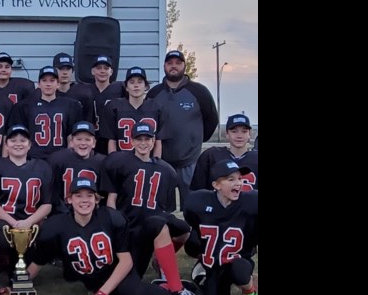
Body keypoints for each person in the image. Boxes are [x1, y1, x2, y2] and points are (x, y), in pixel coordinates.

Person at [25, 177, 196, 295]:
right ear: (69, 199)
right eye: (78, 195)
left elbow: (126, 261)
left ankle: (176, 288)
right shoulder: (57, 226)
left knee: (156, 223)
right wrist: (17, 285)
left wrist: (102, 294)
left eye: (89, 195)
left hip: (124, 265)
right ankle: (162, 286)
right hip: (106, 279)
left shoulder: (110, 217)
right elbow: (39, 261)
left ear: (96, 199)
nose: (84, 200)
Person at [102, 123, 202, 295]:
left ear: (153, 141)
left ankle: (169, 277)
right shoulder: (120, 162)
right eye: (139, 139)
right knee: (134, 273)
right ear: (131, 141)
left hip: (153, 226)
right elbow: (111, 199)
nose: (143, 143)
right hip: (130, 229)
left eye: (147, 139)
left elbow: (167, 209)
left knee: (183, 229)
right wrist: (114, 228)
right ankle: (175, 288)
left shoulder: (166, 170)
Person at [183, 159, 259, 295]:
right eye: (231, 179)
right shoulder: (198, 202)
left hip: (238, 259)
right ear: (216, 185)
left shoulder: (251, 201)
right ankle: (202, 271)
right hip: (214, 264)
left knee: (240, 270)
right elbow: (194, 225)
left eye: (239, 178)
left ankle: (250, 292)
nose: (238, 183)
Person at [0, 124, 54, 281]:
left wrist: (28, 222)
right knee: (2, 233)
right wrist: (14, 223)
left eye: (22, 140)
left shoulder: (43, 167)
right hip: (5, 221)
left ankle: (23, 271)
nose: (18, 144)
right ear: (6, 145)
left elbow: (47, 204)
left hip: (32, 222)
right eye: (13, 140)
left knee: (50, 232)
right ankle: (6, 263)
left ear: (30, 145)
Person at [147, 49, 219, 207]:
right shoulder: (154, 93)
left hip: (190, 162)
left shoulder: (199, 92)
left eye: (178, 63)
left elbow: (211, 120)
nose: (174, 66)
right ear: (164, 66)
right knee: (161, 208)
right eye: (170, 63)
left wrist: (194, 140)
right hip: (161, 162)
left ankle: (192, 232)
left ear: (184, 66)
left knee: (193, 206)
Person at [11, 66, 83, 161]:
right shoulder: (26, 106)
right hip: (35, 157)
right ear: (39, 84)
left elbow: (71, 136)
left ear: (58, 84)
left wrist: (69, 156)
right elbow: (21, 135)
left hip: (60, 156)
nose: (48, 84)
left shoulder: (70, 105)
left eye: (52, 80)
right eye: (44, 80)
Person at [100, 67, 163, 157]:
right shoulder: (114, 107)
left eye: (140, 82)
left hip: (147, 162)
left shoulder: (156, 107)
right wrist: (113, 163)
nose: (136, 85)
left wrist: (156, 165)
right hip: (123, 161)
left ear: (145, 86)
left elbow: (158, 141)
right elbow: (112, 140)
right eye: (132, 82)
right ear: (126, 87)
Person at [47, 120, 107, 215]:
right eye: (78, 139)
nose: (83, 143)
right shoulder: (58, 159)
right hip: (62, 212)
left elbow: (104, 195)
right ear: (71, 141)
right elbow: (53, 192)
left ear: (94, 143)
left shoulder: (102, 162)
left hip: (91, 213)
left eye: (87, 139)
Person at [191, 113, 258, 192]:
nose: (239, 136)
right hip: (217, 204)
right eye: (234, 131)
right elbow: (197, 190)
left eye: (244, 131)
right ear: (227, 134)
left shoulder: (256, 158)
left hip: (249, 204)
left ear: (249, 134)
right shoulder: (211, 156)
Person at [88, 55, 125, 155]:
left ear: (111, 72)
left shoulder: (120, 89)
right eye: (99, 68)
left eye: (106, 68)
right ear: (92, 71)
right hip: (92, 139)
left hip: (113, 139)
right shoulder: (85, 90)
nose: (102, 71)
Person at [51, 52, 95, 122]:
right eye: (61, 68)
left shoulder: (83, 94)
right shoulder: (48, 93)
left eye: (68, 69)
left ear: (73, 70)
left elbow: (88, 121)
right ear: (54, 70)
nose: (65, 72)